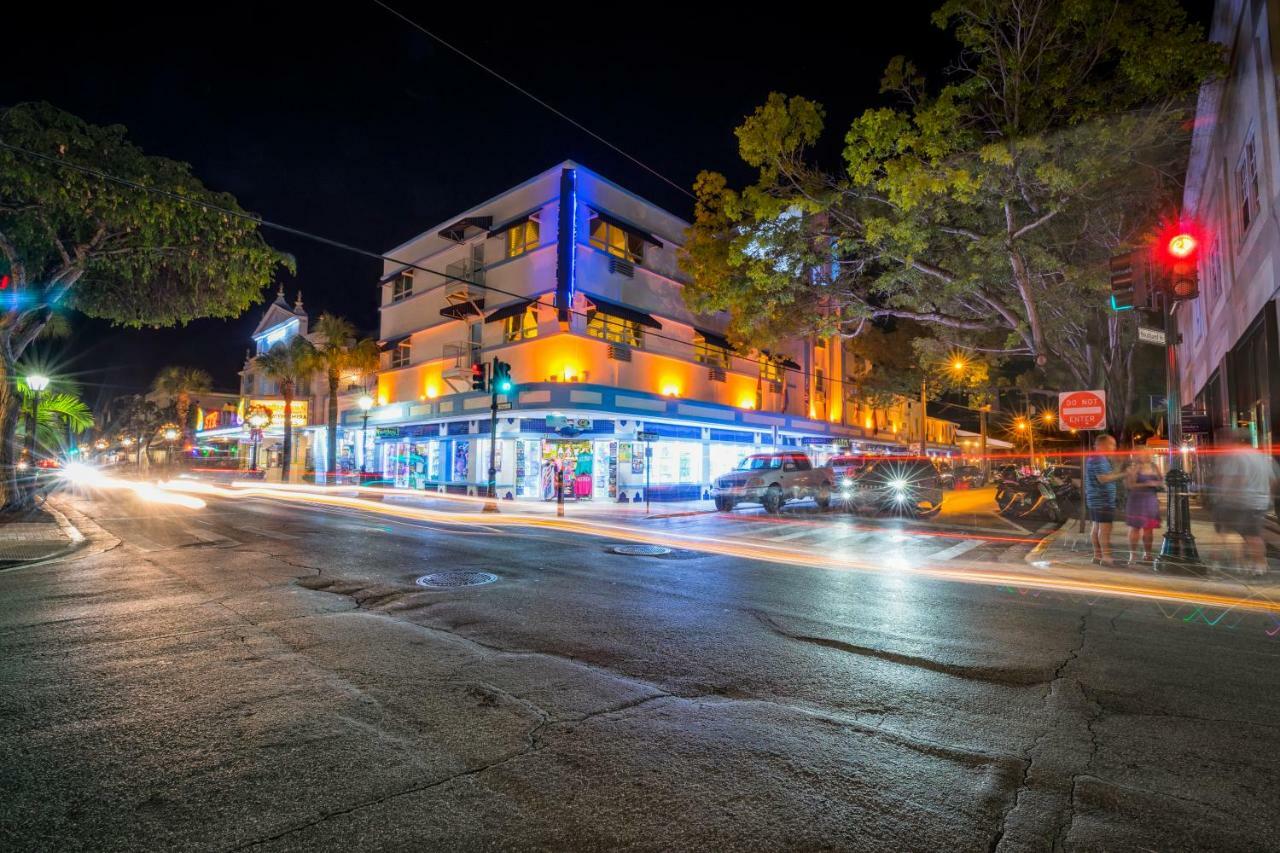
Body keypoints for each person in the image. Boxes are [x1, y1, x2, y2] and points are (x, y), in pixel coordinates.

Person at [1212, 430, 1278, 575]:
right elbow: (1273, 480)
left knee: (1228, 532)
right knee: (1252, 534)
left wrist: (1224, 495)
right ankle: (1256, 564)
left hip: (1240, 501)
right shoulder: (1263, 456)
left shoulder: (1237, 456)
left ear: (1238, 441)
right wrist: (1267, 496)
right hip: (1259, 501)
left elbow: (1237, 479)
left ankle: (1255, 565)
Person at [1084, 434, 1128, 567]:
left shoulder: (1095, 458)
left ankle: (1097, 556)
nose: (1114, 447)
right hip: (1103, 500)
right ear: (1102, 445)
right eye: (1112, 444)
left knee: (1096, 527)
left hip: (1095, 499)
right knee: (1105, 529)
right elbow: (1103, 478)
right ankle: (1107, 558)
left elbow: (1106, 475)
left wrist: (1118, 468)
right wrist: (1125, 474)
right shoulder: (1099, 459)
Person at [1124, 454, 1162, 563]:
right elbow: (1130, 485)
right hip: (1137, 500)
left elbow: (1161, 480)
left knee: (1149, 529)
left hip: (1150, 500)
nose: (1148, 455)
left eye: (1149, 453)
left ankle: (1148, 554)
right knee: (1135, 528)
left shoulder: (1155, 466)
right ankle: (1132, 556)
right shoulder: (1134, 468)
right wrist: (1146, 484)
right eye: (1144, 453)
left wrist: (1158, 483)